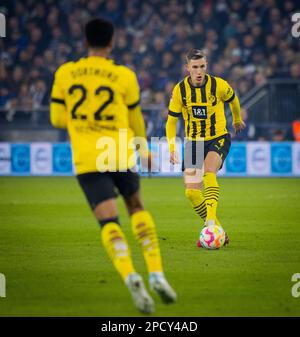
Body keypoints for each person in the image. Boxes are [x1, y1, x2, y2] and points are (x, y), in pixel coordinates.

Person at [50, 17, 176, 314]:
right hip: (117, 151)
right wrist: (143, 149)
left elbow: (56, 118)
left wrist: (84, 122)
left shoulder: (66, 73)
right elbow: (135, 120)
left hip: (87, 158)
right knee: (136, 206)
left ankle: (130, 275)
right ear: (112, 42)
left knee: (109, 222)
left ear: (85, 41)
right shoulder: (124, 75)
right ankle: (156, 272)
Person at [166, 49, 245, 247]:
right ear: (188, 68)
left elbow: (233, 99)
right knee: (191, 193)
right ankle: (217, 229)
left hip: (217, 137)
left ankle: (209, 224)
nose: (199, 71)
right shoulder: (180, 90)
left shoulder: (218, 85)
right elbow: (171, 121)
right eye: (195, 67)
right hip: (193, 142)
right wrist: (171, 147)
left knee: (209, 173)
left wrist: (237, 119)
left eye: (202, 66)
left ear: (206, 66)